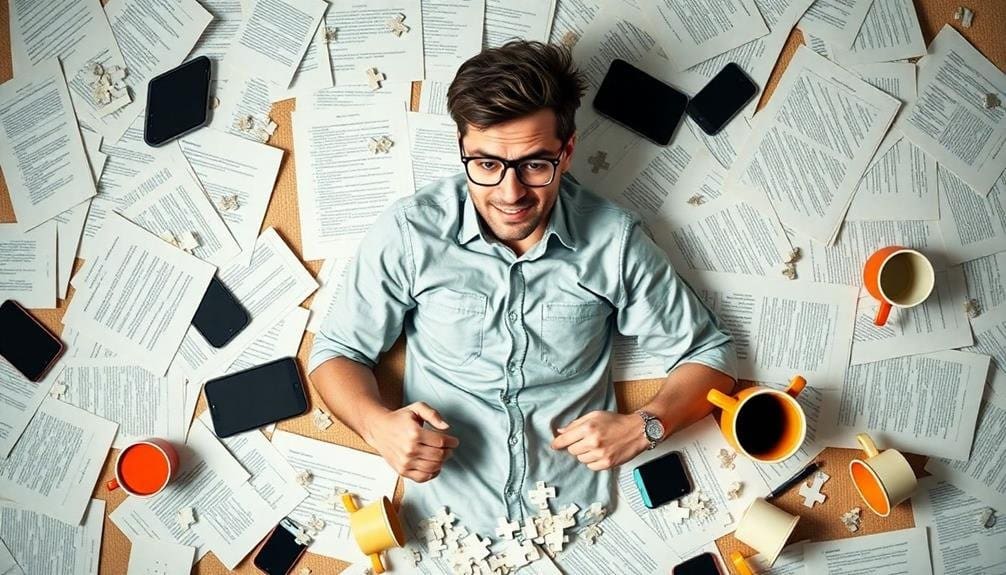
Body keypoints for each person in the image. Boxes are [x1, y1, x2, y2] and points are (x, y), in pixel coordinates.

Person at [309, 41, 736, 536]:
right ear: (462, 148)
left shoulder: (614, 242)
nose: (510, 195)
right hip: (437, 519)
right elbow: (337, 353)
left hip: (578, 522)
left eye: (535, 164)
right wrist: (375, 425)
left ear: (567, 151)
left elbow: (710, 356)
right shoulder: (409, 231)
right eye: (487, 165)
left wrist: (647, 425)